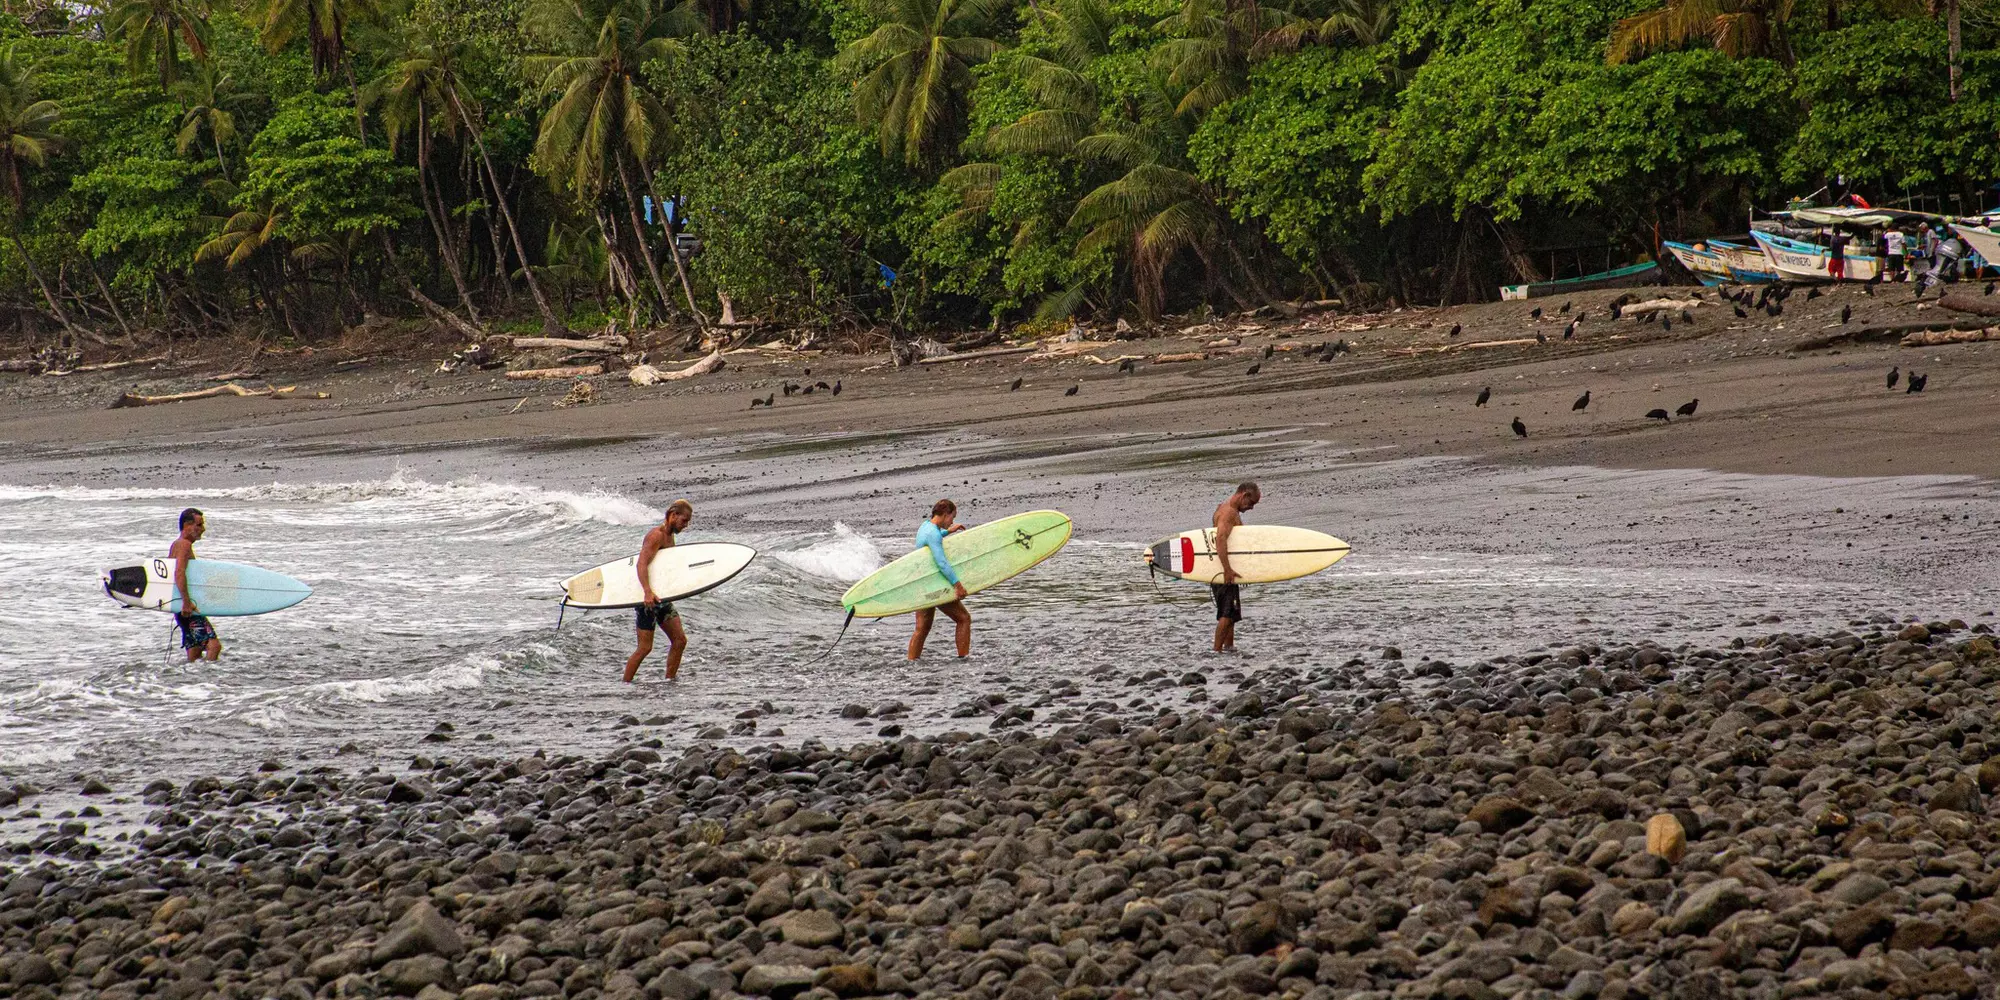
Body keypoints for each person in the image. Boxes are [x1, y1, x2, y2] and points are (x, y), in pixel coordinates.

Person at [623, 499, 693, 683]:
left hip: (661, 597)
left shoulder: (670, 537)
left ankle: (670, 681)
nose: (686, 525)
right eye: (684, 520)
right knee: (645, 648)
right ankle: (624, 685)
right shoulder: (656, 535)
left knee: (680, 641)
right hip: (647, 600)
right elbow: (641, 563)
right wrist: (647, 592)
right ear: (673, 515)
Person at [908, 499, 971, 660]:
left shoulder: (926, 526)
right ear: (944, 514)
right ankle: (964, 660)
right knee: (963, 619)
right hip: (935, 585)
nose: (952, 522)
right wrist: (957, 585)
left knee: (922, 629)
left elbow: (932, 538)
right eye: (952, 517)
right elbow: (941, 563)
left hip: (922, 585)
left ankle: (911, 663)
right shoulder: (933, 534)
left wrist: (948, 532)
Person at [1211, 482, 1260, 653]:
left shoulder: (1224, 508)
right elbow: (1220, 540)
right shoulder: (1228, 513)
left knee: (1230, 613)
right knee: (1226, 613)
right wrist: (1227, 569)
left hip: (1222, 569)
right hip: (1223, 571)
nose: (1251, 507)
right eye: (1251, 503)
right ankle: (1216, 652)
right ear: (1244, 495)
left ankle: (1229, 648)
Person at [170, 508, 221, 662]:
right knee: (214, 646)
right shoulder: (184, 545)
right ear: (187, 525)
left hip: (180, 606)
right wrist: (186, 602)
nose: (203, 529)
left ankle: (193, 680)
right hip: (186, 606)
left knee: (195, 650)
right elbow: (179, 573)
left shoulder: (177, 544)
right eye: (199, 525)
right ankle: (209, 679)